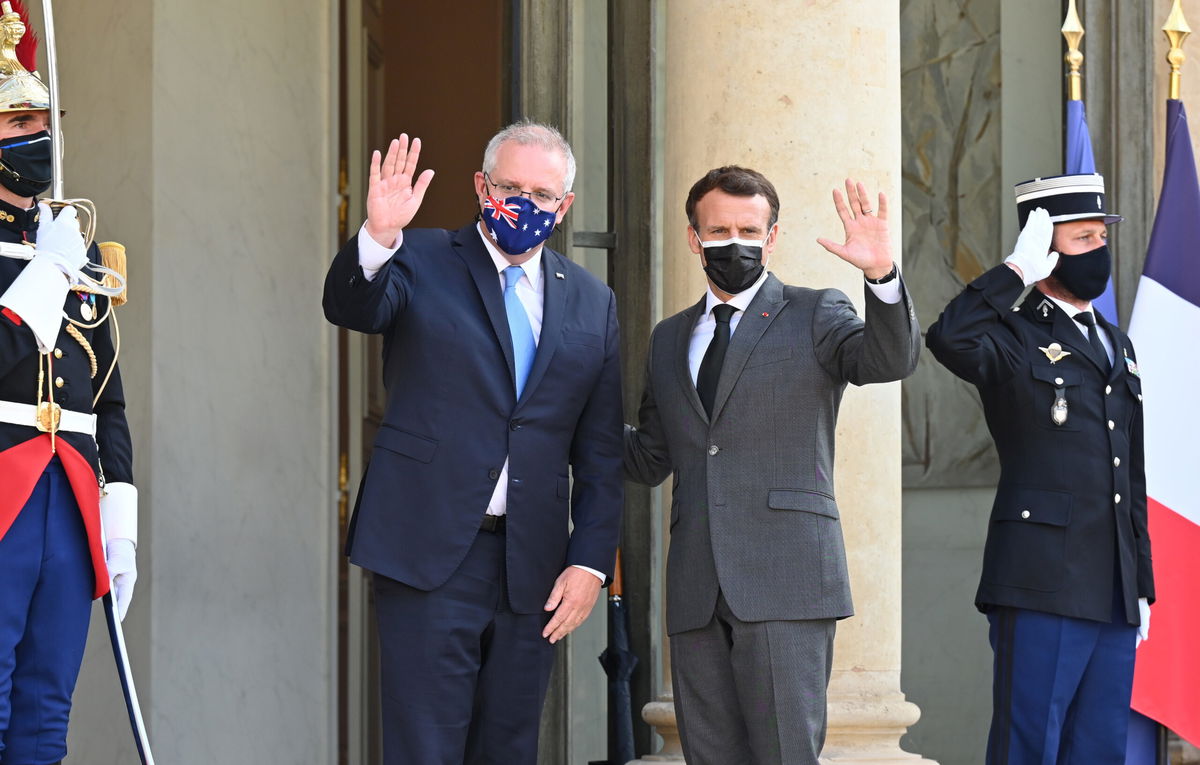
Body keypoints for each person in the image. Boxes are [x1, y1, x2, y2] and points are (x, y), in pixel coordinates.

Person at [322, 121, 623, 765]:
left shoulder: (594, 302)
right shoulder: (420, 256)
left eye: (543, 194)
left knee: (509, 750)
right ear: (481, 187)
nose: (525, 203)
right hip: (427, 553)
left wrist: (590, 562)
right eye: (509, 186)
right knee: (424, 750)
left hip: (533, 567)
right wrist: (378, 234)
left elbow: (599, 451)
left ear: (564, 207)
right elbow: (353, 307)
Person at [624, 166, 919, 765]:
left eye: (749, 231)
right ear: (693, 238)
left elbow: (889, 359)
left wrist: (881, 276)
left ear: (773, 237)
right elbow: (651, 457)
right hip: (697, 586)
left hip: (787, 580)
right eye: (719, 230)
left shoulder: (815, 313)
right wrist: (561, 415)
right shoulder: (668, 337)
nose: (735, 243)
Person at [926, 173, 1153, 764]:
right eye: (1082, 239)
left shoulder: (1115, 342)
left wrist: (1142, 580)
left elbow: (1131, 470)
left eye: (1101, 236)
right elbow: (948, 338)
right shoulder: (1013, 334)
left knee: (1100, 748)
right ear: (1045, 248)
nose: (1099, 250)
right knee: (1029, 744)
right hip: (1042, 576)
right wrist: (1014, 272)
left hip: (1112, 584)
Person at [0, 2, 138, 762]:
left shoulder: (71, 241)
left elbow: (108, 393)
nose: (40, 139)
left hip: (70, 496)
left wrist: (122, 517)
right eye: (20, 127)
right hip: (1, 488)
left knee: (48, 710)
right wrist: (43, 276)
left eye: (43, 123)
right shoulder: (51, 256)